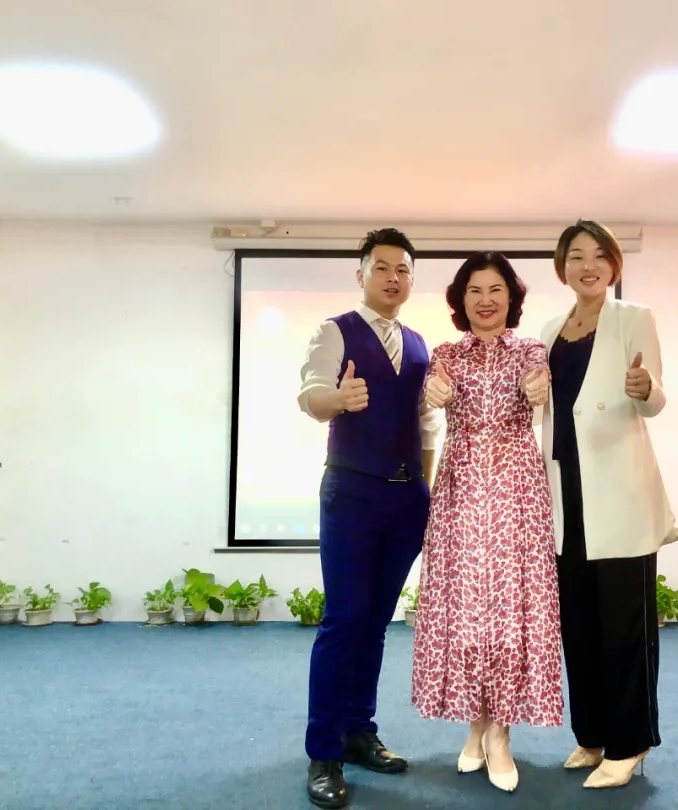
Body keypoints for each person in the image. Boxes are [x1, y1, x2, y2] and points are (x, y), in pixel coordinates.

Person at [297, 227, 441, 809]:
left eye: (403, 269)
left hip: (406, 500)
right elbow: (311, 396)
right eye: (381, 267)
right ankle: (324, 751)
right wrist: (339, 399)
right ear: (361, 275)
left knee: (377, 623)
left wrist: (424, 490)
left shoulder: (420, 344)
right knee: (344, 621)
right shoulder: (335, 330)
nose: (392, 278)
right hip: (352, 493)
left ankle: (359, 732)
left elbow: (427, 426)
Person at [410, 251, 563, 793]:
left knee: (510, 611)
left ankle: (500, 733)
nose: (485, 300)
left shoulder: (531, 350)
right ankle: (476, 724)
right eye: (474, 290)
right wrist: (433, 391)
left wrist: (539, 389)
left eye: (496, 289)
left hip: (516, 492)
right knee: (466, 611)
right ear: (461, 299)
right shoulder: (446, 353)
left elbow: (539, 383)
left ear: (511, 297)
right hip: (461, 490)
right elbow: (433, 390)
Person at [540, 219, 678, 790]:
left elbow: (655, 395)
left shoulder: (633, 317)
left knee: (625, 627)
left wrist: (646, 390)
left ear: (614, 264)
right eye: (577, 255)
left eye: (600, 255)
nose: (588, 265)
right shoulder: (550, 329)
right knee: (577, 624)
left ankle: (629, 744)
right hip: (563, 493)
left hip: (618, 492)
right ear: (562, 266)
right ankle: (592, 735)